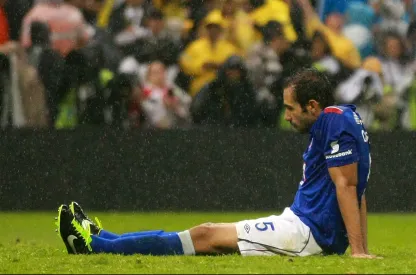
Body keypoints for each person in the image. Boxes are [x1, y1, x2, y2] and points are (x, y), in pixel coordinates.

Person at [56, 69, 379, 259]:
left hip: (306, 234)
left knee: (206, 235)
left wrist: (358, 252)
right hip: (297, 222)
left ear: (312, 105)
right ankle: (104, 238)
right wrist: (358, 246)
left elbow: (348, 186)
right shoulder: (343, 118)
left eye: (291, 108)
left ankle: (97, 247)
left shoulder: (333, 122)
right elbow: (357, 188)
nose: (287, 115)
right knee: (205, 234)